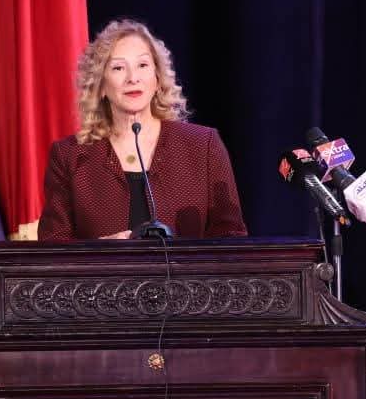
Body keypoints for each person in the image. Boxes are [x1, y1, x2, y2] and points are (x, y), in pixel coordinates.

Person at [38, 19, 247, 240]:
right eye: (118, 68)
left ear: (157, 78)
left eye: (143, 65)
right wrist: (98, 252)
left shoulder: (203, 146)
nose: (133, 78)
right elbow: (53, 244)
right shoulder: (70, 156)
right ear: (100, 86)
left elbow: (231, 237)